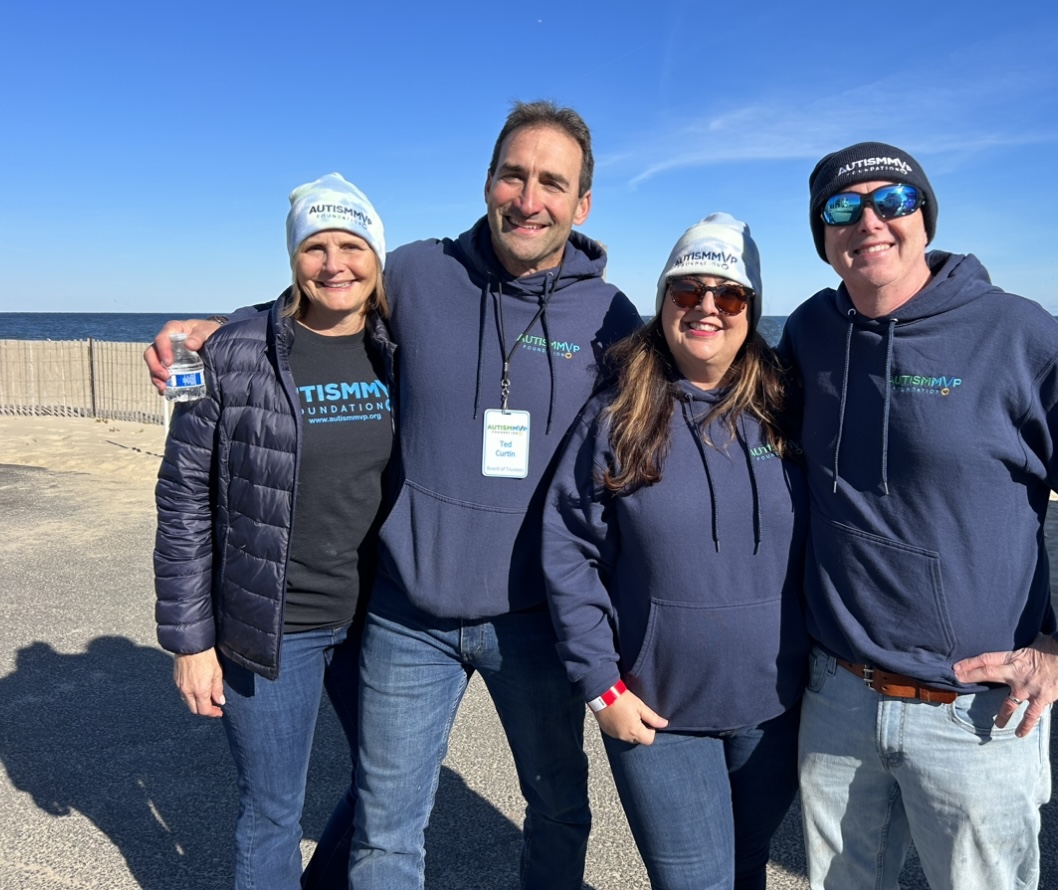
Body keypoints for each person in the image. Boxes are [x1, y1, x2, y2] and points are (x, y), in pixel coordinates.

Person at [146, 101, 641, 888]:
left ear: (580, 206)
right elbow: (320, 304)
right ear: (487, 183)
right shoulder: (418, 271)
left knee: (557, 808)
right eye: (513, 174)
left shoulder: (610, 314)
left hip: (537, 623)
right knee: (385, 829)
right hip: (409, 615)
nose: (528, 196)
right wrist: (214, 330)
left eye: (552, 182)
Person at [779, 142, 1058, 889]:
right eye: (842, 209)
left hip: (973, 714)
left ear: (925, 217)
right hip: (837, 698)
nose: (869, 221)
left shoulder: (1015, 335)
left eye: (893, 203)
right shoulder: (811, 332)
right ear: (822, 237)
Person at [542, 214, 808, 890]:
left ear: (752, 307)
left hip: (775, 707)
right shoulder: (618, 415)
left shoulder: (787, 409)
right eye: (687, 291)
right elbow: (568, 551)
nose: (707, 308)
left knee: (747, 868)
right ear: (662, 301)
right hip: (657, 710)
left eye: (729, 294)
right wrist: (601, 686)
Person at [154, 173, 395, 890]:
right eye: (315, 247)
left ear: (376, 255)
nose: (334, 263)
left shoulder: (401, 349)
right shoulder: (229, 351)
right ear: (293, 258)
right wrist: (190, 641)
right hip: (272, 625)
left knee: (389, 789)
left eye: (351, 244)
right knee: (270, 811)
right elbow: (183, 498)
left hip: (382, 622)